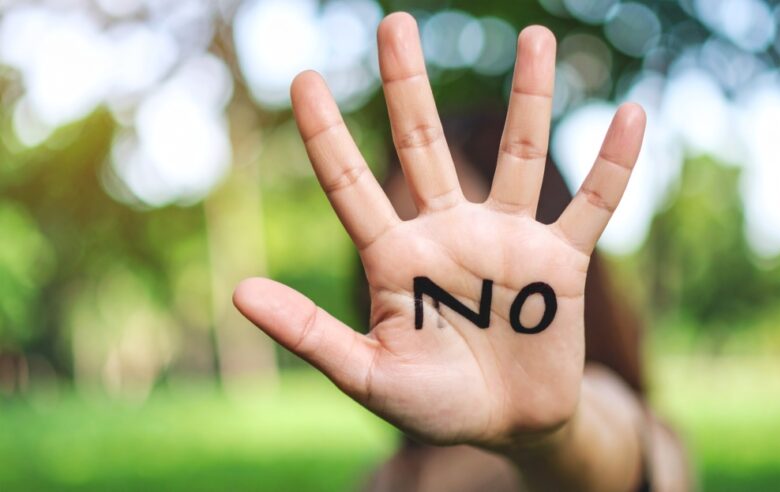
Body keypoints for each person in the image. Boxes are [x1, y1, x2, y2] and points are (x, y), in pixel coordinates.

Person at [233, 12, 691, 492]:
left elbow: (613, 451)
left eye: (464, 255)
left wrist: (548, 439)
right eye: (402, 236)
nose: (423, 270)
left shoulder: (635, 429)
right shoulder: (387, 478)